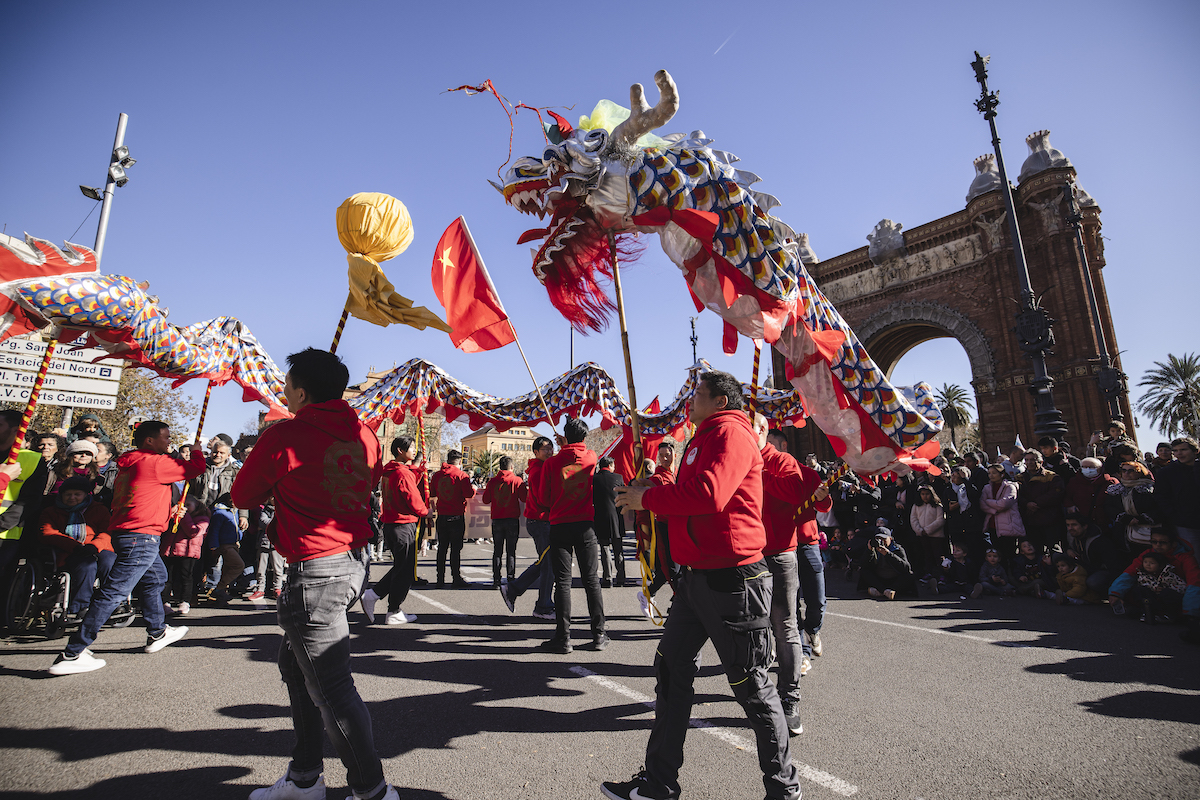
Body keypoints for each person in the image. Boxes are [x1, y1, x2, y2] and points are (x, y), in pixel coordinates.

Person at [606, 370, 799, 800]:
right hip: (695, 582)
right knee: (671, 671)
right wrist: (649, 488)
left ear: (718, 399)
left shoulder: (731, 433)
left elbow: (712, 494)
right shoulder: (703, 436)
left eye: (697, 394)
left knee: (752, 686)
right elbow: (690, 493)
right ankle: (658, 782)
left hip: (733, 579)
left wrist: (650, 499)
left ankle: (784, 790)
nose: (690, 401)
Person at [231, 347, 398, 800]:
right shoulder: (366, 433)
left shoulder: (285, 434)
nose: (284, 395)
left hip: (317, 567)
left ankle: (372, 789)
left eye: (288, 389)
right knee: (295, 664)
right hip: (352, 560)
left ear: (301, 392)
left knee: (332, 688)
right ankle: (305, 775)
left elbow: (243, 494)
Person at [48, 420, 205, 675]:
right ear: (150, 440)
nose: (169, 442)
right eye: (165, 437)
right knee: (114, 591)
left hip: (131, 533)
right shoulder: (153, 462)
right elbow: (195, 467)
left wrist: (168, 510)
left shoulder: (130, 463)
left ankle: (157, 631)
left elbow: (144, 496)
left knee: (156, 579)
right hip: (141, 537)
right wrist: (197, 450)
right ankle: (72, 652)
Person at [753, 416, 826, 736]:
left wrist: (759, 474)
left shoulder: (780, 461)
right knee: (751, 627)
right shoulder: (734, 459)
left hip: (781, 554)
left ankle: (789, 698)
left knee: (785, 626)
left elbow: (797, 492)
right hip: (746, 556)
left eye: (750, 428)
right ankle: (757, 694)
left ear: (763, 433)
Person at [538, 417, 606, 654]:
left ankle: (563, 637)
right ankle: (599, 634)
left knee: (563, 583)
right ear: (585, 438)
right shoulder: (592, 457)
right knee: (591, 580)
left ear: (564, 436)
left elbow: (544, 499)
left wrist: (562, 449)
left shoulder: (551, 464)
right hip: (585, 525)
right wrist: (568, 444)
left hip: (560, 525)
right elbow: (583, 452)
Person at [764, 428, 830, 673]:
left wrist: (822, 497)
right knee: (791, 604)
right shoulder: (765, 475)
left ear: (782, 447)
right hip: (783, 546)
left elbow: (824, 505)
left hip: (807, 541)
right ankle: (801, 652)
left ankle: (813, 630)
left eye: (770, 444)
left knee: (817, 600)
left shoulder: (807, 474)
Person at [361, 436, 428, 625]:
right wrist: (426, 511)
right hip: (403, 523)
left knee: (402, 568)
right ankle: (390, 607)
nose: (414, 451)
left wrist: (417, 469)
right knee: (405, 570)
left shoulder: (389, 471)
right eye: (411, 447)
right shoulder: (402, 473)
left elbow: (406, 483)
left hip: (392, 523)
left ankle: (379, 598)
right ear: (400, 450)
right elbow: (412, 497)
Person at [38, 474, 114, 618]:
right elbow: (47, 532)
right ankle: (81, 605)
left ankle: (110, 602)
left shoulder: (98, 510)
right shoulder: (51, 512)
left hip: (97, 547)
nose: (72, 497)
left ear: (85, 495)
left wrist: (94, 546)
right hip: (69, 551)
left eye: (77, 494)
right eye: (68, 494)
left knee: (110, 561)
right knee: (87, 565)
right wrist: (75, 546)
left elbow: (107, 531)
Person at [501, 436, 555, 620]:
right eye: (545, 449)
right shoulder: (538, 470)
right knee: (548, 563)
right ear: (536, 452)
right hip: (540, 521)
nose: (549, 452)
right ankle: (542, 606)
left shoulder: (543, 468)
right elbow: (543, 499)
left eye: (551, 448)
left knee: (547, 562)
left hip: (541, 520)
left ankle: (515, 590)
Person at [0, 411, 48, 593]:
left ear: (15, 430)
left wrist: (3, 523)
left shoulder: (32, 460)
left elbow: (29, 501)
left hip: (6, 535)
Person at [635, 444, 677, 617]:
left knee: (673, 570)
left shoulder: (675, 475)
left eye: (668, 455)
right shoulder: (657, 478)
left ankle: (649, 594)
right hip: (663, 527)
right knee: (672, 571)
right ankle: (674, 608)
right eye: (661, 455)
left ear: (675, 454)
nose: (665, 458)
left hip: (677, 526)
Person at [429, 450, 475, 587]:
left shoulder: (437, 475)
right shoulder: (461, 475)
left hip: (442, 515)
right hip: (456, 515)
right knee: (455, 549)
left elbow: (432, 493)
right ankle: (456, 578)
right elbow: (468, 494)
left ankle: (440, 579)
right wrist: (473, 488)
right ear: (459, 461)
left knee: (442, 548)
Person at [160, 495, 207, 616]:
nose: (184, 508)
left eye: (187, 505)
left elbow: (193, 532)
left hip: (188, 552)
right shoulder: (175, 515)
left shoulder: (202, 518)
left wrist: (184, 516)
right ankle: (165, 602)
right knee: (167, 578)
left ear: (196, 505)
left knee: (185, 577)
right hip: (170, 550)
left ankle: (184, 600)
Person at [483, 455, 523, 587]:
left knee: (497, 550)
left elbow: (485, 500)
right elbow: (524, 498)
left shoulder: (492, 481)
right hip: (512, 519)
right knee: (511, 551)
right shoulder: (517, 480)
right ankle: (511, 578)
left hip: (497, 519)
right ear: (512, 467)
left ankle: (496, 579)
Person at [1155, 437, 1200, 553]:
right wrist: (1176, 516)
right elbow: (1161, 497)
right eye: (1175, 451)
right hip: (1186, 523)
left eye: (1183, 450)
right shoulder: (1167, 472)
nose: (1179, 453)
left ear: (1195, 451)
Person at [1063, 511, 1122, 598]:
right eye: (1068, 525)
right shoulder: (1071, 535)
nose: (1070, 528)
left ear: (1085, 526)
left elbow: (1113, 566)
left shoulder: (1100, 542)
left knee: (1093, 582)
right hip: (1083, 566)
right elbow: (1066, 546)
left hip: (1100, 570)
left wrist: (1115, 592)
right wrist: (1068, 550)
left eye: (1074, 525)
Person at [1017, 450, 1066, 552]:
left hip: (1049, 520)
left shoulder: (1052, 477)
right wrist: (1027, 504)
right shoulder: (1020, 478)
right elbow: (1017, 496)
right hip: (1030, 521)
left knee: (1054, 549)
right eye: (1027, 460)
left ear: (1041, 462)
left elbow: (1055, 494)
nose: (1029, 462)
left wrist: (1037, 503)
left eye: (1032, 460)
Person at [203, 494, 243, 603]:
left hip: (233, 544)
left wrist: (239, 537)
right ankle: (219, 588)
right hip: (225, 545)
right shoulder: (220, 513)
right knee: (239, 566)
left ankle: (220, 594)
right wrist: (214, 547)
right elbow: (214, 531)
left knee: (227, 568)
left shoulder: (234, 512)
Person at [592, 456, 625, 588]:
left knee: (604, 548)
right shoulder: (618, 478)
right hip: (616, 517)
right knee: (618, 549)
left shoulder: (594, 479)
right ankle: (621, 577)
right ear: (610, 465)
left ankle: (607, 578)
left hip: (600, 517)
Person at [981, 464, 1025, 561]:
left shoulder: (1010, 487)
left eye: (994, 473)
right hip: (993, 525)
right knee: (997, 554)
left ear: (1002, 474)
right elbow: (982, 504)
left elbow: (1004, 504)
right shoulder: (987, 488)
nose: (991, 475)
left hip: (1008, 525)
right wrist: (993, 510)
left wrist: (989, 501)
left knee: (1009, 554)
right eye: (989, 473)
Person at [1129, 551, 1187, 623]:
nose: (1148, 565)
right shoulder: (1143, 575)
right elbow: (1143, 584)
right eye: (1145, 562)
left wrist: (1167, 588)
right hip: (1152, 599)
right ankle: (1146, 612)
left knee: (1167, 593)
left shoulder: (1169, 575)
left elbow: (1182, 586)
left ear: (1160, 565)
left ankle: (1169, 615)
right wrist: (1154, 588)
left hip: (1166, 600)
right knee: (1139, 590)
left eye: (1152, 563)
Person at [859, 529, 917, 599]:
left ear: (890, 538)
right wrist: (869, 551)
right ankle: (884, 591)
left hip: (894, 579)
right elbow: (863, 565)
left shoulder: (898, 549)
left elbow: (906, 568)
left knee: (909, 575)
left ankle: (886, 590)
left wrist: (888, 554)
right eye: (878, 539)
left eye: (883, 539)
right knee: (864, 571)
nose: (881, 542)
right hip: (879, 579)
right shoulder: (873, 548)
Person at [909, 484, 946, 581]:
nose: (925, 496)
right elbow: (913, 519)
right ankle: (928, 572)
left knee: (938, 555)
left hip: (936, 536)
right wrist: (920, 530)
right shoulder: (916, 506)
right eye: (923, 494)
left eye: (927, 494)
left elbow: (940, 520)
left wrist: (927, 530)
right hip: (922, 535)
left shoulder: (937, 506)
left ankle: (941, 574)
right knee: (927, 555)